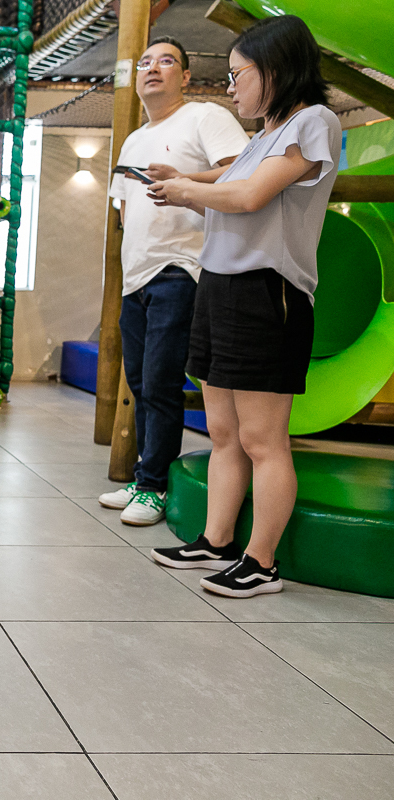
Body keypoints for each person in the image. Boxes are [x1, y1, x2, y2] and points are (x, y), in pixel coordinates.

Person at [145, 15, 339, 597]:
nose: (231, 88)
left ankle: (262, 562)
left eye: (238, 75)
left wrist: (186, 188)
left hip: (267, 292)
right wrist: (183, 184)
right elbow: (229, 200)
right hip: (221, 287)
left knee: (263, 439)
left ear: (274, 71)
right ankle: (217, 540)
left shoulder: (314, 122)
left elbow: (248, 194)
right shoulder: (262, 136)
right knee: (223, 432)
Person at [99, 36, 250, 527]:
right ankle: (146, 475)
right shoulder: (134, 140)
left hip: (182, 269)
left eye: (167, 62)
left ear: (185, 76)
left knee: (162, 380)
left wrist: (186, 178)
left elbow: (242, 173)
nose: (153, 69)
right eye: (145, 62)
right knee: (141, 382)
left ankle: (153, 487)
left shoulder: (205, 117)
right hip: (136, 276)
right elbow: (124, 209)